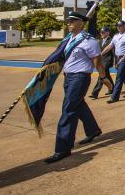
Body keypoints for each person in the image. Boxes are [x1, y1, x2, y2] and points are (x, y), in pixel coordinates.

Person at [44, 12, 107, 163]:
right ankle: (93, 130)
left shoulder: (90, 41)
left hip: (80, 78)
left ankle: (63, 148)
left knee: (68, 110)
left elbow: (97, 63)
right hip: (69, 77)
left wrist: (104, 78)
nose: (69, 23)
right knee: (78, 105)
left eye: (72, 21)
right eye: (69, 21)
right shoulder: (70, 38)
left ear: (81, 23)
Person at [104, 20, 125, 103]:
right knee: (124, 75)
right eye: (117, 26)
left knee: (119, 76)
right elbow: (110, 46)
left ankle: (114, 97)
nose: (118, 27)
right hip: (117, 58)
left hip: (124, 58)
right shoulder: (116, 36)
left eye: (120, 26)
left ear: (124, 26)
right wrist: (101, 53)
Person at [90, 27, 115, 99]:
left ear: (108, 33)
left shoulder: (111, 41)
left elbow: (113, 52)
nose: (101, 34)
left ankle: (95, 93)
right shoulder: (100, 41)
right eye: (101, 32)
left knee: (101, 76)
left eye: (103, 32)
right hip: (101, 61)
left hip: (107, 61)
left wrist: (114, 62)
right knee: (106, 75)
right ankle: (112, 88)